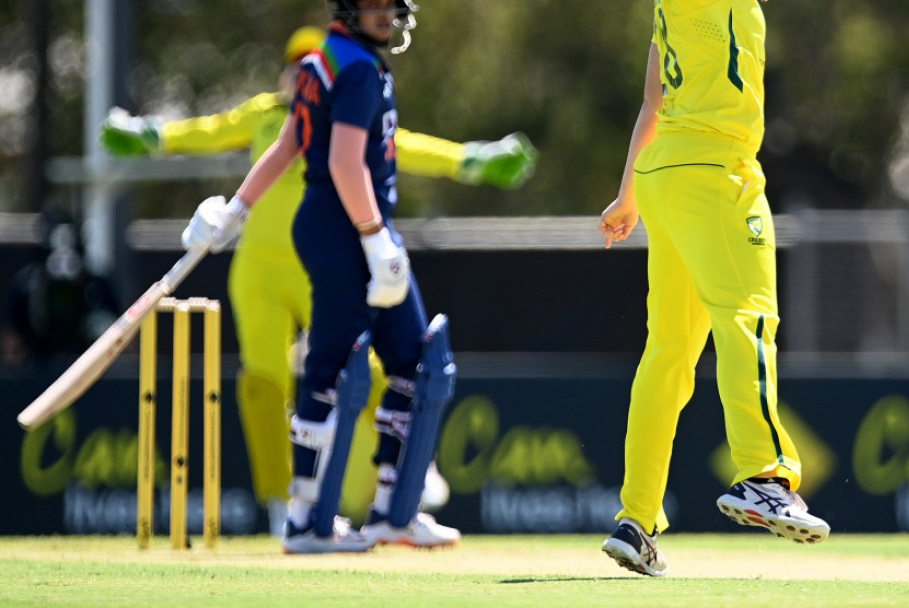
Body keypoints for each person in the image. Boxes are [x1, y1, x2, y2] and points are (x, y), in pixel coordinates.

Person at [101, 28, 536, 535]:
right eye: (292, 64)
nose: (298, 74)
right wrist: (148, 135)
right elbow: (208, 130)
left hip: (320, 267)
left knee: (370, 372)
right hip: (260, 274)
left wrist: (470, 159)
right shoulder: (265, 114)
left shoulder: (345, 114)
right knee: (263, 386)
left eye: (308, 64)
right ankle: (281, 506)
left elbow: (402, 147)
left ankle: (410, 472)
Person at [597, 0, 830, 577]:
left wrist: (629, 191)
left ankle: (635, 518)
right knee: (751, 318)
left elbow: (651, 99)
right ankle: (767, 475)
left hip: (669, 175)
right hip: (714, 179)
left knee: (669, 353)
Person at [181, 0, 471, 553]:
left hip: (343, 225)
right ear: (344, 8)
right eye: (373, 5)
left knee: (415, 362)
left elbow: (288, 142)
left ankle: (396, 508)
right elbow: (339, 160)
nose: (386, 15)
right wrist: (373, 239)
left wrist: (237, 208)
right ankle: (306, 520)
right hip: (346, 228)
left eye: (392, 4)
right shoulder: (356, 67)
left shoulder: (325, 61)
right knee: (331, 367)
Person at [1, 208, 119, 366]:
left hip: (87, 365)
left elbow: (120, 333)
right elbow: (11, 341)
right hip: (37, 365)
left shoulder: (96, 286)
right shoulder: (25, 286)